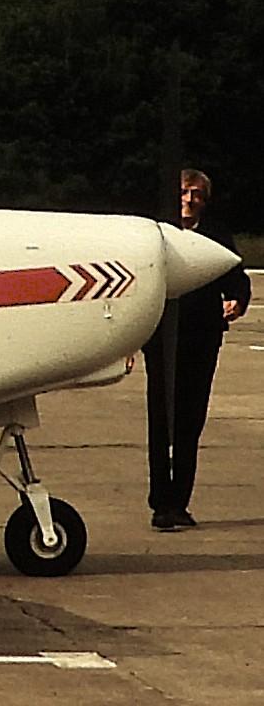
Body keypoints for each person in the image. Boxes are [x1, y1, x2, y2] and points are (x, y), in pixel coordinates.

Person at [143, 168, 250, 531]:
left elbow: (237, 278)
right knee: (161, 420)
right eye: (186, 192)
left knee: (191, 421)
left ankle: (179, 501)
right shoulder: (158, 234)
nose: (190, 200)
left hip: (202, 339)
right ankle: (160, 501)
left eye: (198, 194)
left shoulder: (217, 236)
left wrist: (237, 302)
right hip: (161, 341)